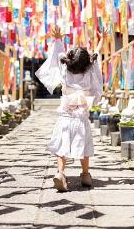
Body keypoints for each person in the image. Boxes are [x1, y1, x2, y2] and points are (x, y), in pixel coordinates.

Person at [35, 27, 105, 192]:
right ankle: (85, 174)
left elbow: (58, 53)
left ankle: (60, 173)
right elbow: (96, 54)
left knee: (61, 146)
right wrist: (102, 40)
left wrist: (59, 39)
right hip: (81, 118)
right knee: (85, 146)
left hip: (65, 116)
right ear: (87, 62)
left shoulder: (65, 69)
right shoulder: (90, 69)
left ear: (70, 59)